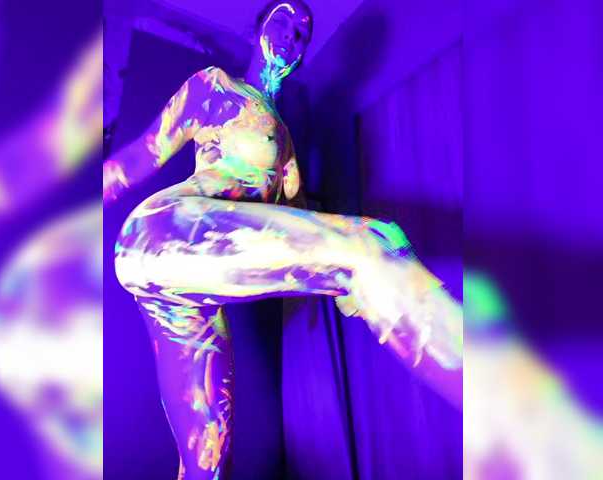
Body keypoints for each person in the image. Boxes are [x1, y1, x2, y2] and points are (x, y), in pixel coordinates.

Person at [104, 1, 462, 478]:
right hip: (166, 231)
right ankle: (514, 416)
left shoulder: (286, 144)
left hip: (183, 290)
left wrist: (341, 272)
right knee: (375, 243)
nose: (293, 34)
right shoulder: (217, 88)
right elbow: (142, 154)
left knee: (207, 459)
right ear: (257, 28)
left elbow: (296, 226)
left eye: (303, 33)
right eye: (285, 19)